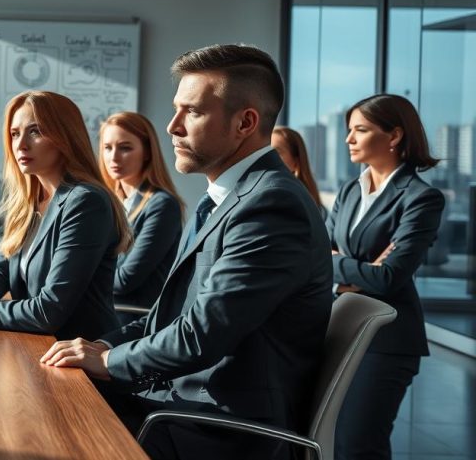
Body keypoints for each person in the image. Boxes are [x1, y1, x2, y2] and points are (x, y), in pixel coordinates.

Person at [40, 44, 333, 460]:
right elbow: (168, 317)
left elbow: (202, 334)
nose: (172, 127)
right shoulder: (221, 200)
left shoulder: (272, 206)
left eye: (191, 112)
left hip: (219, 428)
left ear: (245, 122)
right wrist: (98, 347)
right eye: (176, 110)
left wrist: (106, 362)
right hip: (179, 404)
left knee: (41, 429)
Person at [0, 90, 131, 340]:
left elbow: (50, 309)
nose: (21, 144)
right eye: (15, 134)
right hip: (38, 346)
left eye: (35, 131)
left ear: (65, 137)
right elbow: (4, 265)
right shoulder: (33, 200)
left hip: (80, 357)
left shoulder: (85, 201)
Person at [327, 94, 444, 460]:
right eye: (349, 130)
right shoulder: (349, 191)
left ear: (394, 136)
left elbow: (389, 278)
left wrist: (338, 262)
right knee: (328, 439)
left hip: (387, 342)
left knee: (358, 445)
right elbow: (314, 255)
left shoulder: (421, 199)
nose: (349, 139)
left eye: (360, 130)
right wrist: (360, 269)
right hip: (338, 329)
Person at [99, 112, 184, 320]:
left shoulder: (162, 205)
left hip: (133, 322)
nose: (114, 157)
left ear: (147, 152)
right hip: (104, 313)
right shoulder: (109, 203)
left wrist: (72, 278)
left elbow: (126, 279)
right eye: (107, 148)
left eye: (125, 148)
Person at [271, 125, 326, 217]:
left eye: (276, 152)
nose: (267, 157)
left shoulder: (296, 206)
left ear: (296, 163)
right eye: (265, 151)